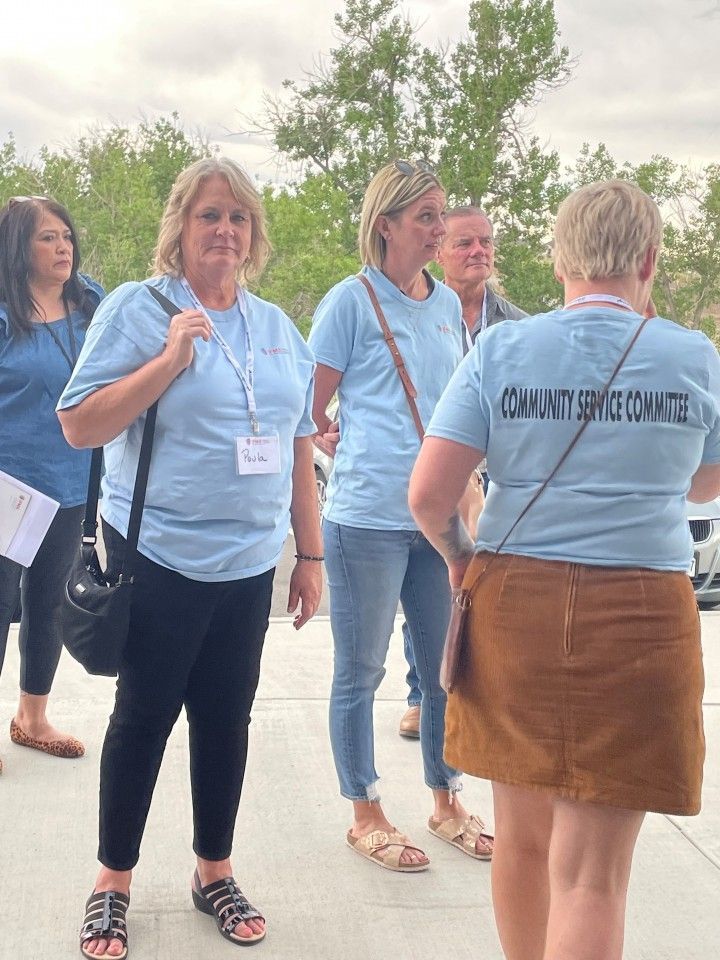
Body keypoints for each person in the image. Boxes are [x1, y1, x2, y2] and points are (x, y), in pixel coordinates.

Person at [409, 179, 718, 959]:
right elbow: (705, 479)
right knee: (594, 875)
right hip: (644, 612)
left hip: (518, 603)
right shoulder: (693, 356)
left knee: (522, 841)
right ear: (648, 258)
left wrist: (459, 559)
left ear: (558, 261)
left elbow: (430, 494)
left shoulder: (505, 349)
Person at [57, 157, 322, 957]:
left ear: (255, 234)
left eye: (239, 218)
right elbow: (80, 425)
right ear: (180, 225)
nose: (225, 231)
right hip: (160, 556)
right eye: (210, 215)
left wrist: (308, 553)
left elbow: (298, 442)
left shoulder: (275, 326)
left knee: (225, 721)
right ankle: (113, 881)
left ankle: (214, 871)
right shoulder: (141, 309)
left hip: (249, 563)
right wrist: (168, 361)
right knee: (142, 719)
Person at [309, 159, 493, 873]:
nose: (437, 228)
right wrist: (334, 435)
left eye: (439, 215)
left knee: (444, 667)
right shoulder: (349, 302)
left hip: (438, 519)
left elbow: (458, 402)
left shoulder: (446, 306)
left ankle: (446, 800)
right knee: (360, 671)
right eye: (423, 216)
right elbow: (309, 407)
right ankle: (367, 812)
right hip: (365, 521)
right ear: (385, 224)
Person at [400, 206, 527, 739]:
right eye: (464, 244)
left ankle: (493, 692)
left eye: (485, 242)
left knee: (498, 588)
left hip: (501, 480)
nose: (479, 252)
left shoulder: (520, 328)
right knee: (433, 586)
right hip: (442, 472)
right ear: (440, 252)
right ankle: (422, 693)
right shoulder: (418, 316)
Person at [0, 195, 104, 774]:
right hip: (7, 487)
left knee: (50, 607)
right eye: (47, 238)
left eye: (66, 235)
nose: (62, 247)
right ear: (18, 246)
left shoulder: (89, 301)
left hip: (71, 485)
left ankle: (32, 718)